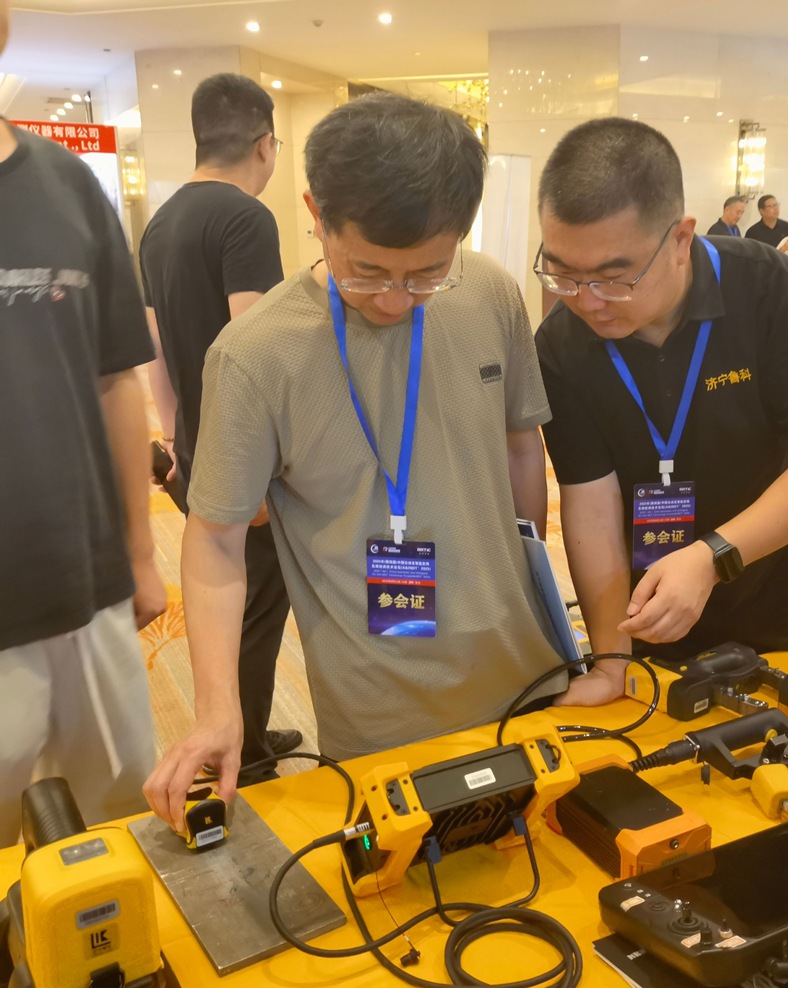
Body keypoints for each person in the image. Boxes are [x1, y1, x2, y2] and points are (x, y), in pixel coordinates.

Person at [144, 92, 565, 834]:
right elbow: (214, 541)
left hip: (526, 673)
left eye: (427, 273)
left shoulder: (491, 293)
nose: (397, 300)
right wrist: (217, 708)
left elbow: (520, 445)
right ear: (316, 213)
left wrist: (533, 587)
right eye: (366, 271)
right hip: (379, 711)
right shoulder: (255, 354)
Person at [533, 118, 788, 707]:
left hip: (776, 608)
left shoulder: (772, 291)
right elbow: (591, 504)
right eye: (563, 274)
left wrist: (713, 558)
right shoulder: (560, 344)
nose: (586, 301)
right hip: (646, 620)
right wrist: (611, 661)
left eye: (613, 278)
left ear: (681, 238)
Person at [0, 0, 166, 844]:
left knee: (121, 820)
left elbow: (115, 380)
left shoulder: (66, 184)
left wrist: (140, 553)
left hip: (88, 582)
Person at [139, 73, 301, 783]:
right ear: (265, 144)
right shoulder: (245, 218)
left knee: (242, 605)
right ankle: (245, 753)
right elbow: (253, 346)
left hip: (196, 449)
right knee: (257, 609)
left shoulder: (161, 223)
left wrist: (177, 441)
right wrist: (260, 468)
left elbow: (155, 347)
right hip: (241, 461)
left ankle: (250, 730)